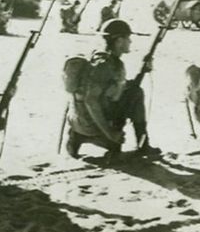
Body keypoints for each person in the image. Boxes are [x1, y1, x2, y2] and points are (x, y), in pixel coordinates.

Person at [66, 19, 160, 160]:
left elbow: (115, 88)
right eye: (128, 38)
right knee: (136, 94)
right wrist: (110, 133)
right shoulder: (104, 66)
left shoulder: (102, 59)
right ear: (119, 41)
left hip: (79, 121)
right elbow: (91, 100)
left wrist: (143, 72)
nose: (130, 42)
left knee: (133, 90)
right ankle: (143, 145)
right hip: (94, 125)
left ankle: (77, 138)